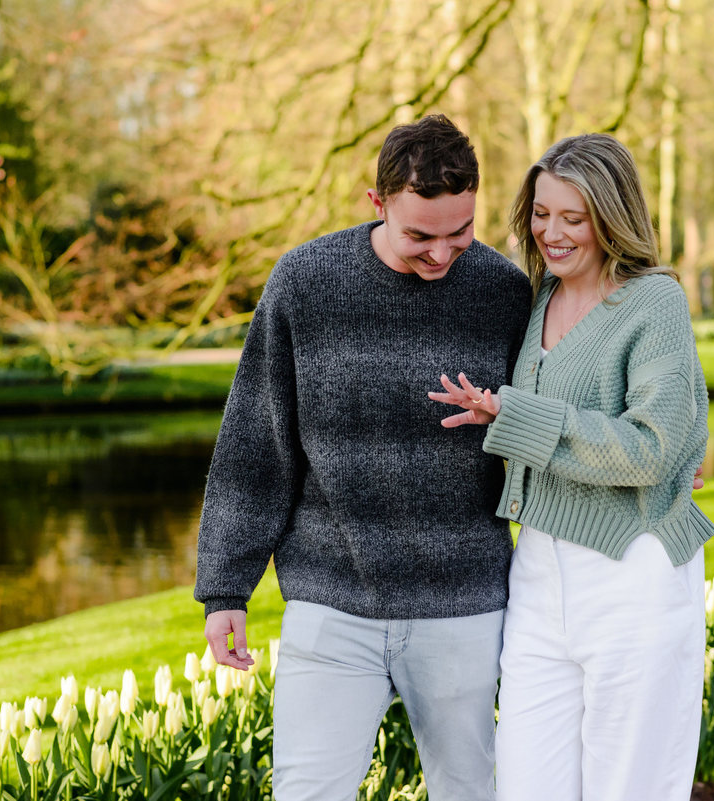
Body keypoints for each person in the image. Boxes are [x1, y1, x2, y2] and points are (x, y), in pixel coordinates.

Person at [193, 114, 533, 801]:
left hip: (464, 602)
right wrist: (226, 588)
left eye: (460, 232)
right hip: (331, 601)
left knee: (471, 790)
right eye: (420, 236)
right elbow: (256, 443)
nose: (442, 253)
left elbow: (548, 418)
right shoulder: (306, 283)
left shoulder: (503, 291)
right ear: (377, 202)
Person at [430, 133, 714, 801]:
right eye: (540, 213)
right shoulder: (540, 297)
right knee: (526, 784)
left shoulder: (653, 302)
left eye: (572, 217)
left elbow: (651, 448)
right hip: (538, 572)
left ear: (611, 217)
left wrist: (514, 414)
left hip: (632, 571)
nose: (551, 233)